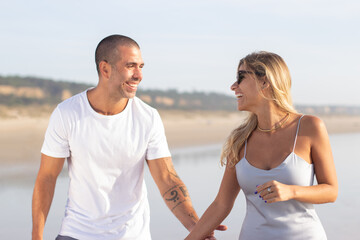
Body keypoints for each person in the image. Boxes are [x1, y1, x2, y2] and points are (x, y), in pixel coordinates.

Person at [32, 34, 225, 240]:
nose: (139, 75)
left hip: (132, 235)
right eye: (131, 66)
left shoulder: (148, 117)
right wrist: (37, 236)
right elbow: (47, 178)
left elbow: (167, 179)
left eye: (141, 66)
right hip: (77, 233)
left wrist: (198, 228)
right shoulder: (67, 113)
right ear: (105, 69)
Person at [185, 51, 338, 240]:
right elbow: (221, 204)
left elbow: (331, 190)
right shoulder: (239, 140)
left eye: (241, 77)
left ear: (264, 82)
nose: (233, 86)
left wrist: (291, 191)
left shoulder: (309, 127)